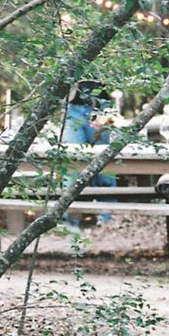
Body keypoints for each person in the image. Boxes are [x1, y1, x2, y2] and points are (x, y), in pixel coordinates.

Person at [62, 80, 117, 227]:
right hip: (74, 107)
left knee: (104, 166)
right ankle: (70, 220)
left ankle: (107, 219)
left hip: (101, 107)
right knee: (73, 163)